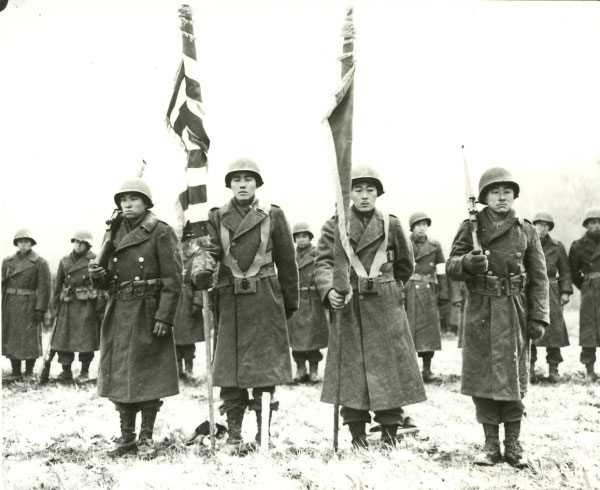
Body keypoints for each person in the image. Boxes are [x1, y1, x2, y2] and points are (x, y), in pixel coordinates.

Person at [314, 165, 426, 448]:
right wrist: (329, 290)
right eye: (358, 190)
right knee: (352, 373)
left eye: (370, 190)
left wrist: (387, 288)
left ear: (378, 193)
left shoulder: (391, 224)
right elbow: (324, 263)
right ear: (349, 194)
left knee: (390, 371)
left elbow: (405, 266)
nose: (364, 196)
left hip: (385, 306)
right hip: (349, 305)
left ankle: (390, 435)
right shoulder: (334, 224)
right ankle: (357, 437)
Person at [191, 158, 298, 453]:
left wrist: (288, 303)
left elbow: (287, 263)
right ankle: (235, 435)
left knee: (264, 372)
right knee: (231, 372)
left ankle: (263, 435)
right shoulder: (216, 216)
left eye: (248, 179)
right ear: (229, 185)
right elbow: (207, 249)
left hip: (265, 295)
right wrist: (201, 267)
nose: (242, 184)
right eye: (236, 179)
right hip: (229, 298)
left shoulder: (273, 214)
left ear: (257, 184)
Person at [447, 167, 549, 468]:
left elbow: (540, 277)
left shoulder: (526, 230)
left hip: (515, 308)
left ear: (514, 196)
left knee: (514, 377)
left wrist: (539, 316)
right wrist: (469, 262)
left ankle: (513, 445)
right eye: (495, 192)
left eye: (507, 192)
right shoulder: (470, 227)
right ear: (484, 198)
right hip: (481, 309)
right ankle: (490, 445)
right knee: (483, 378)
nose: (501, 197)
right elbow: (451, 266)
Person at [89, 178, 182, 458]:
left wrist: (164, 317)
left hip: (148, 311)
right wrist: (98, 277)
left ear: (146, 203)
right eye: (123, 200)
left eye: (134, 199)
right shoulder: (113, 232)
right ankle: (127, 438)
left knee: (148, 375)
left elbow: (173, 279)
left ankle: (146, 439)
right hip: (118, 310)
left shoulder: (161, 232)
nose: (128, 204)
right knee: (121, 375)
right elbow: (106, 280)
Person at [404, 211, 449, 382]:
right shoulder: (404, 243)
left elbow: (441, 270)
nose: (421, 228)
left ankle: (427, 370)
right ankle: (409, 371)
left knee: (428, 332)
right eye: (418, 225)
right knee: (408, 330)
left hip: (429, 292)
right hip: (408, 291)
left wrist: (444, 292)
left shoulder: (435, 245)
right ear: (412, 227)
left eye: (424, 224)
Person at [51, 230, 101, 382]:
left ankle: (84, 371)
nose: (79, 246)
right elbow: (58, 283)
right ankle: (65, 371)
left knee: (86, 340)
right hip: (67, 303)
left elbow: (101, 282)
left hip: (86, 304)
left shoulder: (95, 259)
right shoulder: (64, 260)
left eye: (83, 243)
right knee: (63, 340)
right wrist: (55, 304)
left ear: (88, 245)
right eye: (77, 242)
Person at [2, 229, 51, 381]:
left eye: (27, 242)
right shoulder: (7, 261)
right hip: (10, 303)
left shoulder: (40, 262)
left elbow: (45, 288)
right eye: (21, 242)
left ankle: (29, 371)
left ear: (31, 244)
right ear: (16, 243)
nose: (23, 245)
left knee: (30, 338)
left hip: (30, 304)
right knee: (12, 336)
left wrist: (41, 309)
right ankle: (15, 370)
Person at [530, 211, 572, 383]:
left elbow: (566, 270)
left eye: (546, 225)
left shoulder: (557, 246)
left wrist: (565, 291)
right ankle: (529, 368)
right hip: (531, 290)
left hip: (552, 290)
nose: (542, 228)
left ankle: (553, 369)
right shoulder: (527, 243)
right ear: (533, 226)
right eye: (539, 225)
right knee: (530, 330)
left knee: (554, 331)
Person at [288, 222, 329, 384]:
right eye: (298, 236)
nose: (302, 239)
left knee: (313, 338)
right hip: (296, 301)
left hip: (313, 300)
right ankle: (300, 368)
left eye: (305, 236)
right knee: (297, 340)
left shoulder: (318, 254)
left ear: (310, 238)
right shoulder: (290, 255)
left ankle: (313, 369)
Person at [568, 207, 600, 382]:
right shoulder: (578, 246)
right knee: (589, 331)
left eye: (599, 222)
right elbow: (573, 273)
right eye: (593, 222)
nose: (597, 226)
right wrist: (587, 286)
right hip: (589, 293)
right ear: (586, 225)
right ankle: (589, 370)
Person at [173, 224, 205, 381]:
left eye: (183, 241)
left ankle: (189, 369)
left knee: (187, 340)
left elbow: (200, 283)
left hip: (188, 302)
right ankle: (178, 370)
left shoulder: (196, 256)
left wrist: (198, 303)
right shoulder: (171, 257)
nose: (181, 244)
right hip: (173, 301)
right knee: (174, 340)